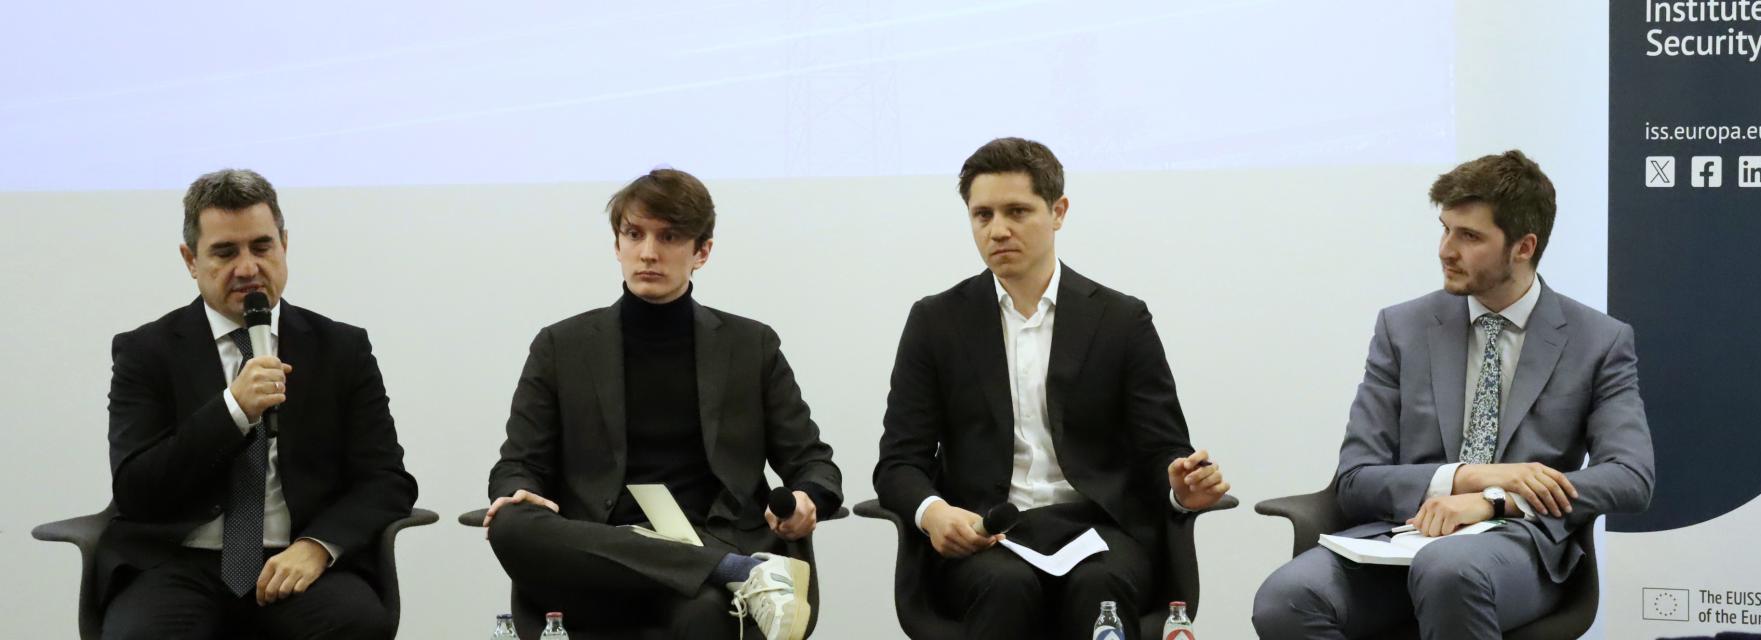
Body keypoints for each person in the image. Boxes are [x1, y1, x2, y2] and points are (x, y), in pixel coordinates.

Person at [1251, 150, 1655, 639]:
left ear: (1523, 246)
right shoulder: (1402, 328)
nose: (1446, 249)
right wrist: (1468, 477)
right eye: (1445, 229)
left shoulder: (1598, 340)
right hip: (1397, 539)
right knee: (1285, 599)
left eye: (1469, 236)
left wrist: (1495, 500)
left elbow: (1631, 477)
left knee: (1448, 570)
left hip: (1517, 549)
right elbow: (1356, 480)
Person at [873, 137, 1231, 637]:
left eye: (1017, 211)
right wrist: (933, 513)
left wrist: (1178, 488)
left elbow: (1161, 449)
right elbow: (899, 462)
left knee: (1099, 585)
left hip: (1098, 532)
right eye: (983, 215)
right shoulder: (937, 321)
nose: (998, 230)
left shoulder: (1120, 319)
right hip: (988, 535)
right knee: (1005, 586)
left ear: (1058, 211)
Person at [483, 168, 843, 640]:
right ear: (617, 245)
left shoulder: (751, 345)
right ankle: (730, 569)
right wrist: (518, 490)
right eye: (634, 234)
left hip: (710, 537)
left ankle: (717, 567)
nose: (648, 252)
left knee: (704, 615)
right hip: (598, 555)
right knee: (509, 522)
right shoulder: (560, 346)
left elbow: (813, 463)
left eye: (669, 237)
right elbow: (515, 466)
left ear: (702, 252)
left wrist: (807, 498)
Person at [99, 169, 419, 639]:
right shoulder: (147, 351)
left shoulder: (340, 348)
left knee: (354, 624)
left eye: (261, 247)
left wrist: (318, 546)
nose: (247, 267)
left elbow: (386, 480)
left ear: (284, 244)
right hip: (179, 562)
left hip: (296, 562)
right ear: (191, 260)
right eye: (225, 252)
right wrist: (233, 409)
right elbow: (137, 490)